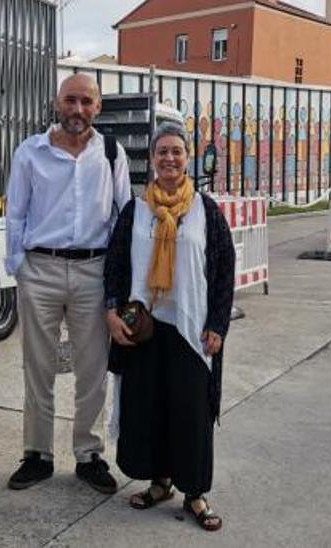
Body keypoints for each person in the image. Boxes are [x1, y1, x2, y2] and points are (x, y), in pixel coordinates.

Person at [104, 123, 235, 532]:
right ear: (153, 159)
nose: (169, 159)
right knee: (150, 408)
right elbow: (116, 265)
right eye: (162, 151)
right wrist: (111, 311)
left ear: (187, 157)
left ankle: (194, 492)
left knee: (192, 412)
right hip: (144, 327)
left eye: (176, 151)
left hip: (192, 329)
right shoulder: (136, 209)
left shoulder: (205, 211)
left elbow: (225, 272)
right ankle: (160, 483)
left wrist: (218, 324)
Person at [4, 73, 131, 494]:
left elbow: (122, 218)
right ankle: (36, 454)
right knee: (37, 367)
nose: (78, 110)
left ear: (98, 107)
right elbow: (17, 213)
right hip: (40, 269)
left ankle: (89, 454)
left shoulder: (112, 153)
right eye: (70, 101)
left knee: (92, 368)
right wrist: (19, 266)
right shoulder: (30, 152)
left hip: (93, 271)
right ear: (58, 103)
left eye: (87, 102)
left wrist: (118, 279)